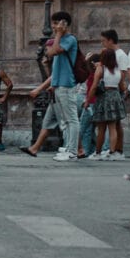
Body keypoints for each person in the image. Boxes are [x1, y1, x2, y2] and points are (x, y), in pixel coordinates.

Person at [44, 11, 81, 163]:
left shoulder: (70, 39)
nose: (53, 27)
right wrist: (53, 84)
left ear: (63, 24)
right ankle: (68, 147)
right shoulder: (61, 39)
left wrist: (58, 34)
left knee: (72, 118)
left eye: (55, 23)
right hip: (59, 84)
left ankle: (72, 151)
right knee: (65, 119)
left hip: (67, 83)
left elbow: (53, 52)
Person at [86, 49, 128, 160]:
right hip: (115, 96)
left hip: (104, 98)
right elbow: (123, 87)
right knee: (113, 127)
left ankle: (98, 153)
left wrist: (87, 101)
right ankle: (112, 152)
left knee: (101, 128)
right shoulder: (118, 70)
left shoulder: (101, 69)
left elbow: (94, 86)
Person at [98, 30, 130, 157]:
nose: (102, 43)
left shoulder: (120, 55)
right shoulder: (110, 53)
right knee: (115, 123)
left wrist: (121, 90)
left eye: (104, 41)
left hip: (115, 90)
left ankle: (118, 149)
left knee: (116, 123)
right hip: (113, 90)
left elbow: (122, 75)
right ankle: (115, 148)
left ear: (110, 40)